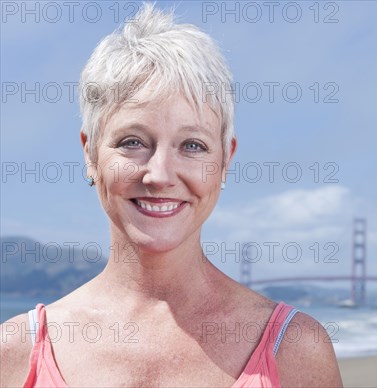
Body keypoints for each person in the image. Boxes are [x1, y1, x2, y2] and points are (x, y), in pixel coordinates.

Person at [0, 3, 343, 387]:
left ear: (225, 160)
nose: (159, 175)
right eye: (132, 142)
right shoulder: (15, 351)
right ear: (90, 153)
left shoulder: (294, 349)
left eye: (192, 146)